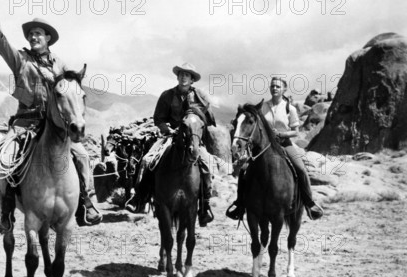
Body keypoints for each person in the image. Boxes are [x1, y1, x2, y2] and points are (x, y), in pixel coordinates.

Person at [0, 16, 102, 230]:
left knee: (83, 156)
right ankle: (5, 211)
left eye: (38, 33)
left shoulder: (60, 63)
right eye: (30, 34)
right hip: (26, 122)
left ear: (47, 38)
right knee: (4, 158)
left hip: (55, 124)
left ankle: (86, 202)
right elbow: (6, 50)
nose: (33, 37)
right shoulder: (21, 59)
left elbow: (69, 88)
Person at [125, 62, 216, 227]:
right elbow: (158, 118)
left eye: (187, 75)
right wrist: (168, 129)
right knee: (147, 160)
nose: (183, 77)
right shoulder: (167, 95)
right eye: (181, 74)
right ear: (177, 76)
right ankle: (140, 197)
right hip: (171, 136)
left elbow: (208, 118)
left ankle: (205, 205)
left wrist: (196, 125)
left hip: (193, 137)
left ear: (192, 79)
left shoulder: (200, 96)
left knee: (208, 164)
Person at [226, 76, 325, 221]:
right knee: (243, 170)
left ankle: (309, 203)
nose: (274, 88)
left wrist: (281, 134)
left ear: (284, 89)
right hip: (264, 146)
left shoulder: (289, 108)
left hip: (285, 143)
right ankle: (240, 204)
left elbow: (296, 131)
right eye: (272, 86)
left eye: (278, 86)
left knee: (301, 168)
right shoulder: (263, 107)